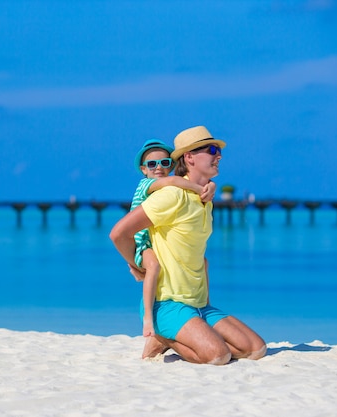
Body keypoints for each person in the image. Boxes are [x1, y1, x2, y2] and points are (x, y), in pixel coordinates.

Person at [110, 126, 267, 365]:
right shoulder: (171, 195)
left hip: (200, 304)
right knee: (218, 355)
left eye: (218, 150)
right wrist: (136, 264)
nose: (219, 155)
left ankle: (195, 329)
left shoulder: (206, 199)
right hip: (168, 304)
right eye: (212, 149)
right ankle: (163, 337)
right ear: (189, 157)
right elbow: (119, 233)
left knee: (255, 349)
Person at [130, 139, 216, 358]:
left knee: (203, 262)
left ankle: (205, 306)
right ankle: (149, 319)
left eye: (164, 162)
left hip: (150, 237)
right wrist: (201, 187)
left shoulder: (167, 186)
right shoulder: (147, 185)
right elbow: (175, 181)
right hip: (142, 241)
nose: (158, 168)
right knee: (154, 267)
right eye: (152, 165)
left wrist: (210, 186)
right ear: (143, 170)